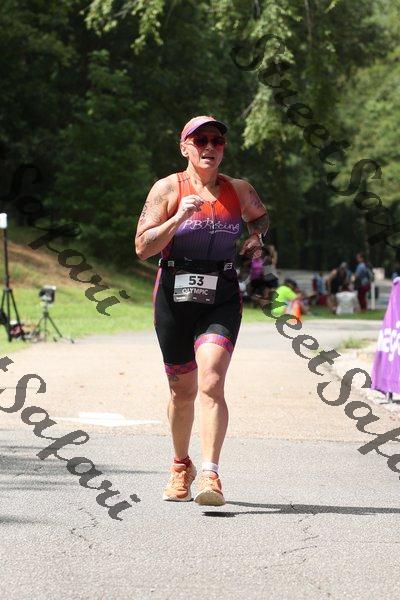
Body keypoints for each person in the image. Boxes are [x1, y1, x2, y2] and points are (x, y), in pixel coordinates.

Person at [134, 115, 269, 506]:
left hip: (221, 293)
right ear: (185, 148)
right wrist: (178, 218)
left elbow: (260, 217)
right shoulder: (167, 188)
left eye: (217, 141)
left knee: (211, 380)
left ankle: (210, 474)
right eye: (200, 140)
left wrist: (256, 237)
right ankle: (181, 465)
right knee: (182, 390)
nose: (209, 147)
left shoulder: (239, 190)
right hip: (174, 294)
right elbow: (142, 247)